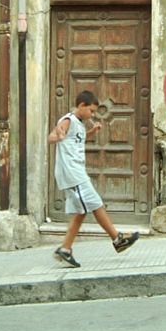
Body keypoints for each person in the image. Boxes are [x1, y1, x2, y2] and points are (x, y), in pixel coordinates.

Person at [48, 90, 139, 268]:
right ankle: (117, 239)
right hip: (73, 174)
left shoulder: (80, 123)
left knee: (81, 212)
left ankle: (65, 249)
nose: (92, 114)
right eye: (91, 110)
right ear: (81, 106)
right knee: (95, 203)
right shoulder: (68, 120)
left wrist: (92, 132)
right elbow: (53, 136)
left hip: (76, 171)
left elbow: (77, 140)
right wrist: (57, 137)